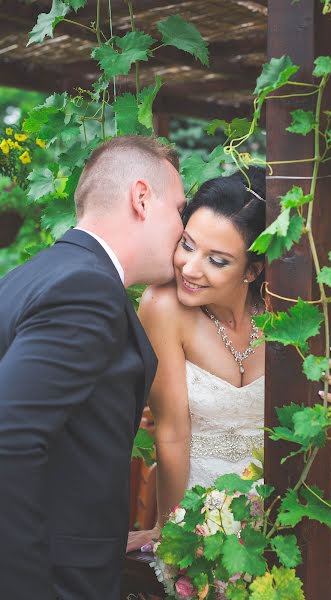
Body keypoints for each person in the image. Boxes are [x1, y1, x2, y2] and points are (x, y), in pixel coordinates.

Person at [128, 167, 331, 599]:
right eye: (187, 244)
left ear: (253, 270)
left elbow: (302, 428)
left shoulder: (289, 311)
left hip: (279, 514)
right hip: (201, 515)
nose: (190, 267)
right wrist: (170, 527)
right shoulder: (162, 306)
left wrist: (328, 403)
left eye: (216, 260)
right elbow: (172, 431)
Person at [0, 135, 186, 600]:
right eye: (179, 209)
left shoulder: (27, 276)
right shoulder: (87, 289)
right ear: (142, 198)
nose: (182, 230)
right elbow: (10, 434)